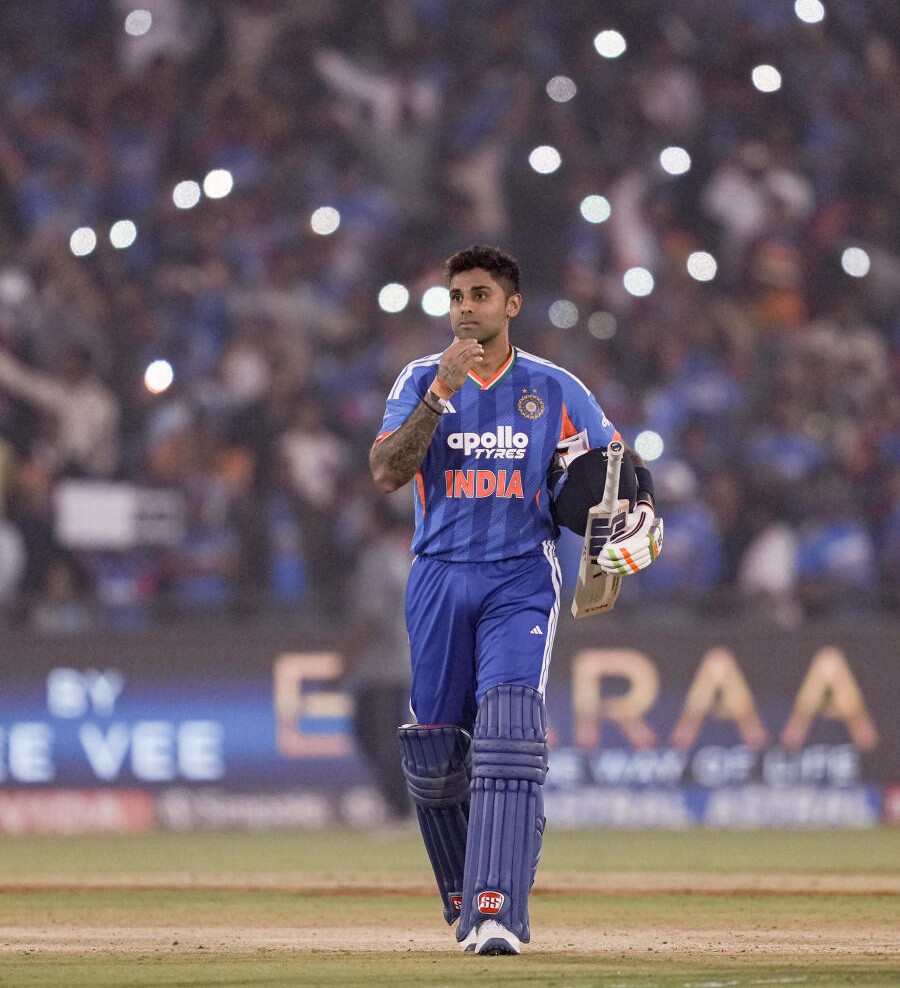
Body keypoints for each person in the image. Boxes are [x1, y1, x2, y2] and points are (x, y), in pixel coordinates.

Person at [369, 245, 662, 955]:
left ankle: (497, 912)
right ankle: (466, 896)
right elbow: (386, 471)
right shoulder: (419, 379)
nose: (465, 309)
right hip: (438, 574)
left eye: (479, 295)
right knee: (435, 750)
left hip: (520, 576)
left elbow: (619, 464)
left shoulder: (555, 388)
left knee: (507, 734)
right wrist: (440, 394)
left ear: (511, 305)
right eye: (456, 297)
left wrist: (645, 512)